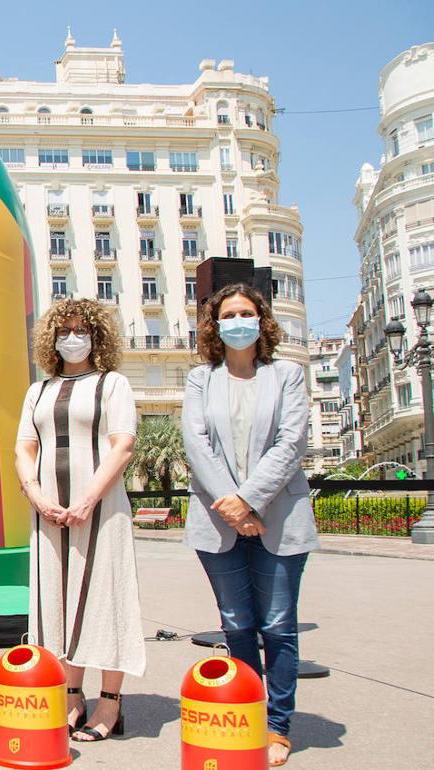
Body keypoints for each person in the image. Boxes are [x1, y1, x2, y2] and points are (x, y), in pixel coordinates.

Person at [182, 283, 318, 767]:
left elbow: (291, 443)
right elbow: (197, 446)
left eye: (246, 312)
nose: (237, 320)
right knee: (237, 624)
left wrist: (249, 499)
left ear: (261, 320)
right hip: (220, 522)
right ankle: (245, 717)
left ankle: (278, 726)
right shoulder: (201, 379)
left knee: (279, 625)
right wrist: (232, 506)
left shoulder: (287, 375)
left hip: (279, 518)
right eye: (227, 314)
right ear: (215, 325)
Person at [13, 298, 144, 742]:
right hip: (49, 513)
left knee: (105, 598)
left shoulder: (113, 385)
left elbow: (122, 445)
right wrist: (35, 495)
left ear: (97, 337)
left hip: (101, 510)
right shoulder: (39, 390)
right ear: (51, 338)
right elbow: (25, 448)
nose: (73, 338)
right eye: (65, 331)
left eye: (81, 330)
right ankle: (71, 696)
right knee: (57, 602)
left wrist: (88, 500)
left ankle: (111, 702)